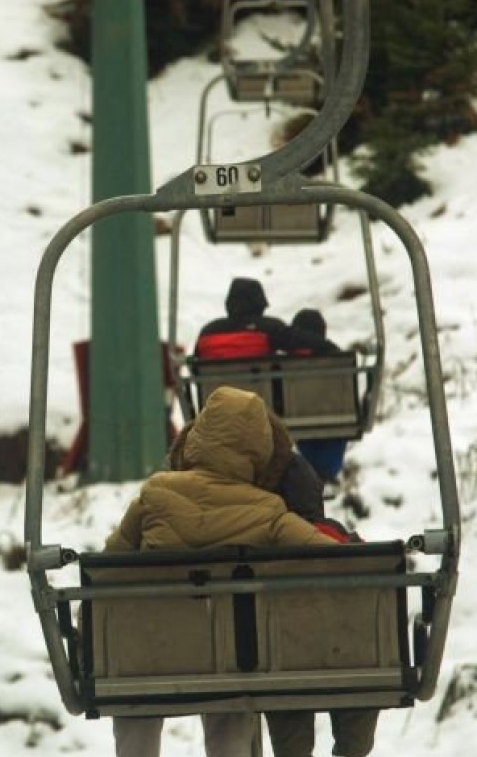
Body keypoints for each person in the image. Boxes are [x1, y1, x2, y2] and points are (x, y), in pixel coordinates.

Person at [103, 386, 354, 757]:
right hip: (228, 662)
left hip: (150, 654)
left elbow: (108, 569)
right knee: (232, 682)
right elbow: (338, 564)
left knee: (136, 689)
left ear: (197, 438)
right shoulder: (268, 511)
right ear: (259, 454)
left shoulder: (154, 495)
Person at [282, 308, 350, 483]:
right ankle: (319, 477)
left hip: (294, 417)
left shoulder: (284, 362)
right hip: (333, 418)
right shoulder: (336, 357)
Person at [194, 278, 322, 361]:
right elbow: (307, 344)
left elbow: (195, 366)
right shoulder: (269, 328)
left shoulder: (207, 332)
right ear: (259, 304)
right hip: (261, 398)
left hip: (215, 399)